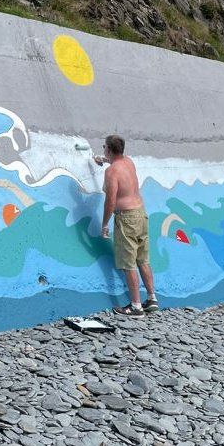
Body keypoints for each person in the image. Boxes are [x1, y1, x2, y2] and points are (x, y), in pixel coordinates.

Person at [95, 135, 160, 317]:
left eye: (104, 147)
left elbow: (111, 200)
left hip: (126, 218)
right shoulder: (128, 162)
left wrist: (105, 224)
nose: (103, 149)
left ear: (108, 148)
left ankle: (136, 306)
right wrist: (102, 160)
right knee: (143, 259)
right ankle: (152, 299)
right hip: (140, 213)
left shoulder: (111, 172)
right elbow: (115, 163)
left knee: (129, 263)